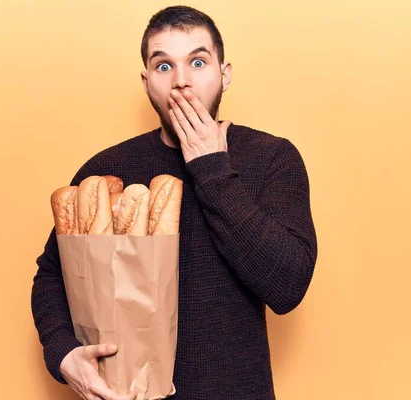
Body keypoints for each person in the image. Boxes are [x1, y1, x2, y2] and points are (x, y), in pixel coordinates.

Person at [31, 5, 317, 400]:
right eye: (164, 67)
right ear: (147, 82)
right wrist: (63, 354)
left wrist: (211, 167)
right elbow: (51, 274)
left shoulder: (273, 158)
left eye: (198, 62)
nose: (181, 82)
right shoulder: (108, 169)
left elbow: (288, 286)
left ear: (225, 73)